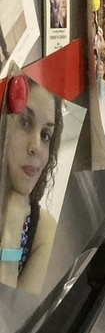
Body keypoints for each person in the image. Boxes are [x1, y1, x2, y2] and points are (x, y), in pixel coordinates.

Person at [0, 80, 63, 294]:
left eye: (46, 135)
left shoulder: (41, 230)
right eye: (25, 123)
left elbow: (12, 321)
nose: (36, 146)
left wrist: (12, 228)